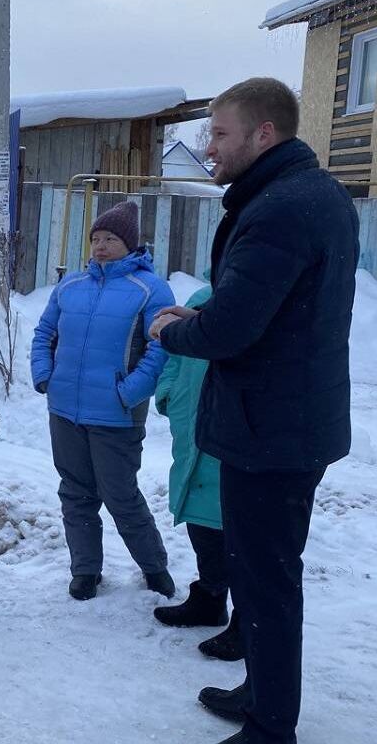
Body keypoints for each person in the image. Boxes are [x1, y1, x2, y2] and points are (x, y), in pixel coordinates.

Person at [150, 77, 359, 744]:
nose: (209, 147)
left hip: (270, 428)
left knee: (266, 579)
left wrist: (171, 331)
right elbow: (270, 311)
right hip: (287, 417)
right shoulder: (313, 195)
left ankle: (272, 726)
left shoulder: (278, 209)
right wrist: (209, 314)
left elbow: (229, 331)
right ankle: (261, 692)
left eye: (219, 133)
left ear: (263, 134)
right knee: (262, 571)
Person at [30, 200, 176, 601]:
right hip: (65, 411)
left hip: (116, 415)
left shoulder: (150, 289)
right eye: (95, 238)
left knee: (121, 495)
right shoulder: (70, 286)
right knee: (75, 493)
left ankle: (154, 566)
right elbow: (44, 333)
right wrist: (45, 375)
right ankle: (85, 571)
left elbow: (160, 349)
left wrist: (128, 392)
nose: (100, 245)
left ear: (130, 244)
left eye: (110, 238)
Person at [152, 280, 243, 662]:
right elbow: (174, 353)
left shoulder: (248, 301)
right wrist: (168, 393)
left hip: (231, 429)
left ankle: (246, 619)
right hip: (190, 424)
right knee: (200, 518)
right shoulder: (201, 298)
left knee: (237, 528)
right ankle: (209, 597)